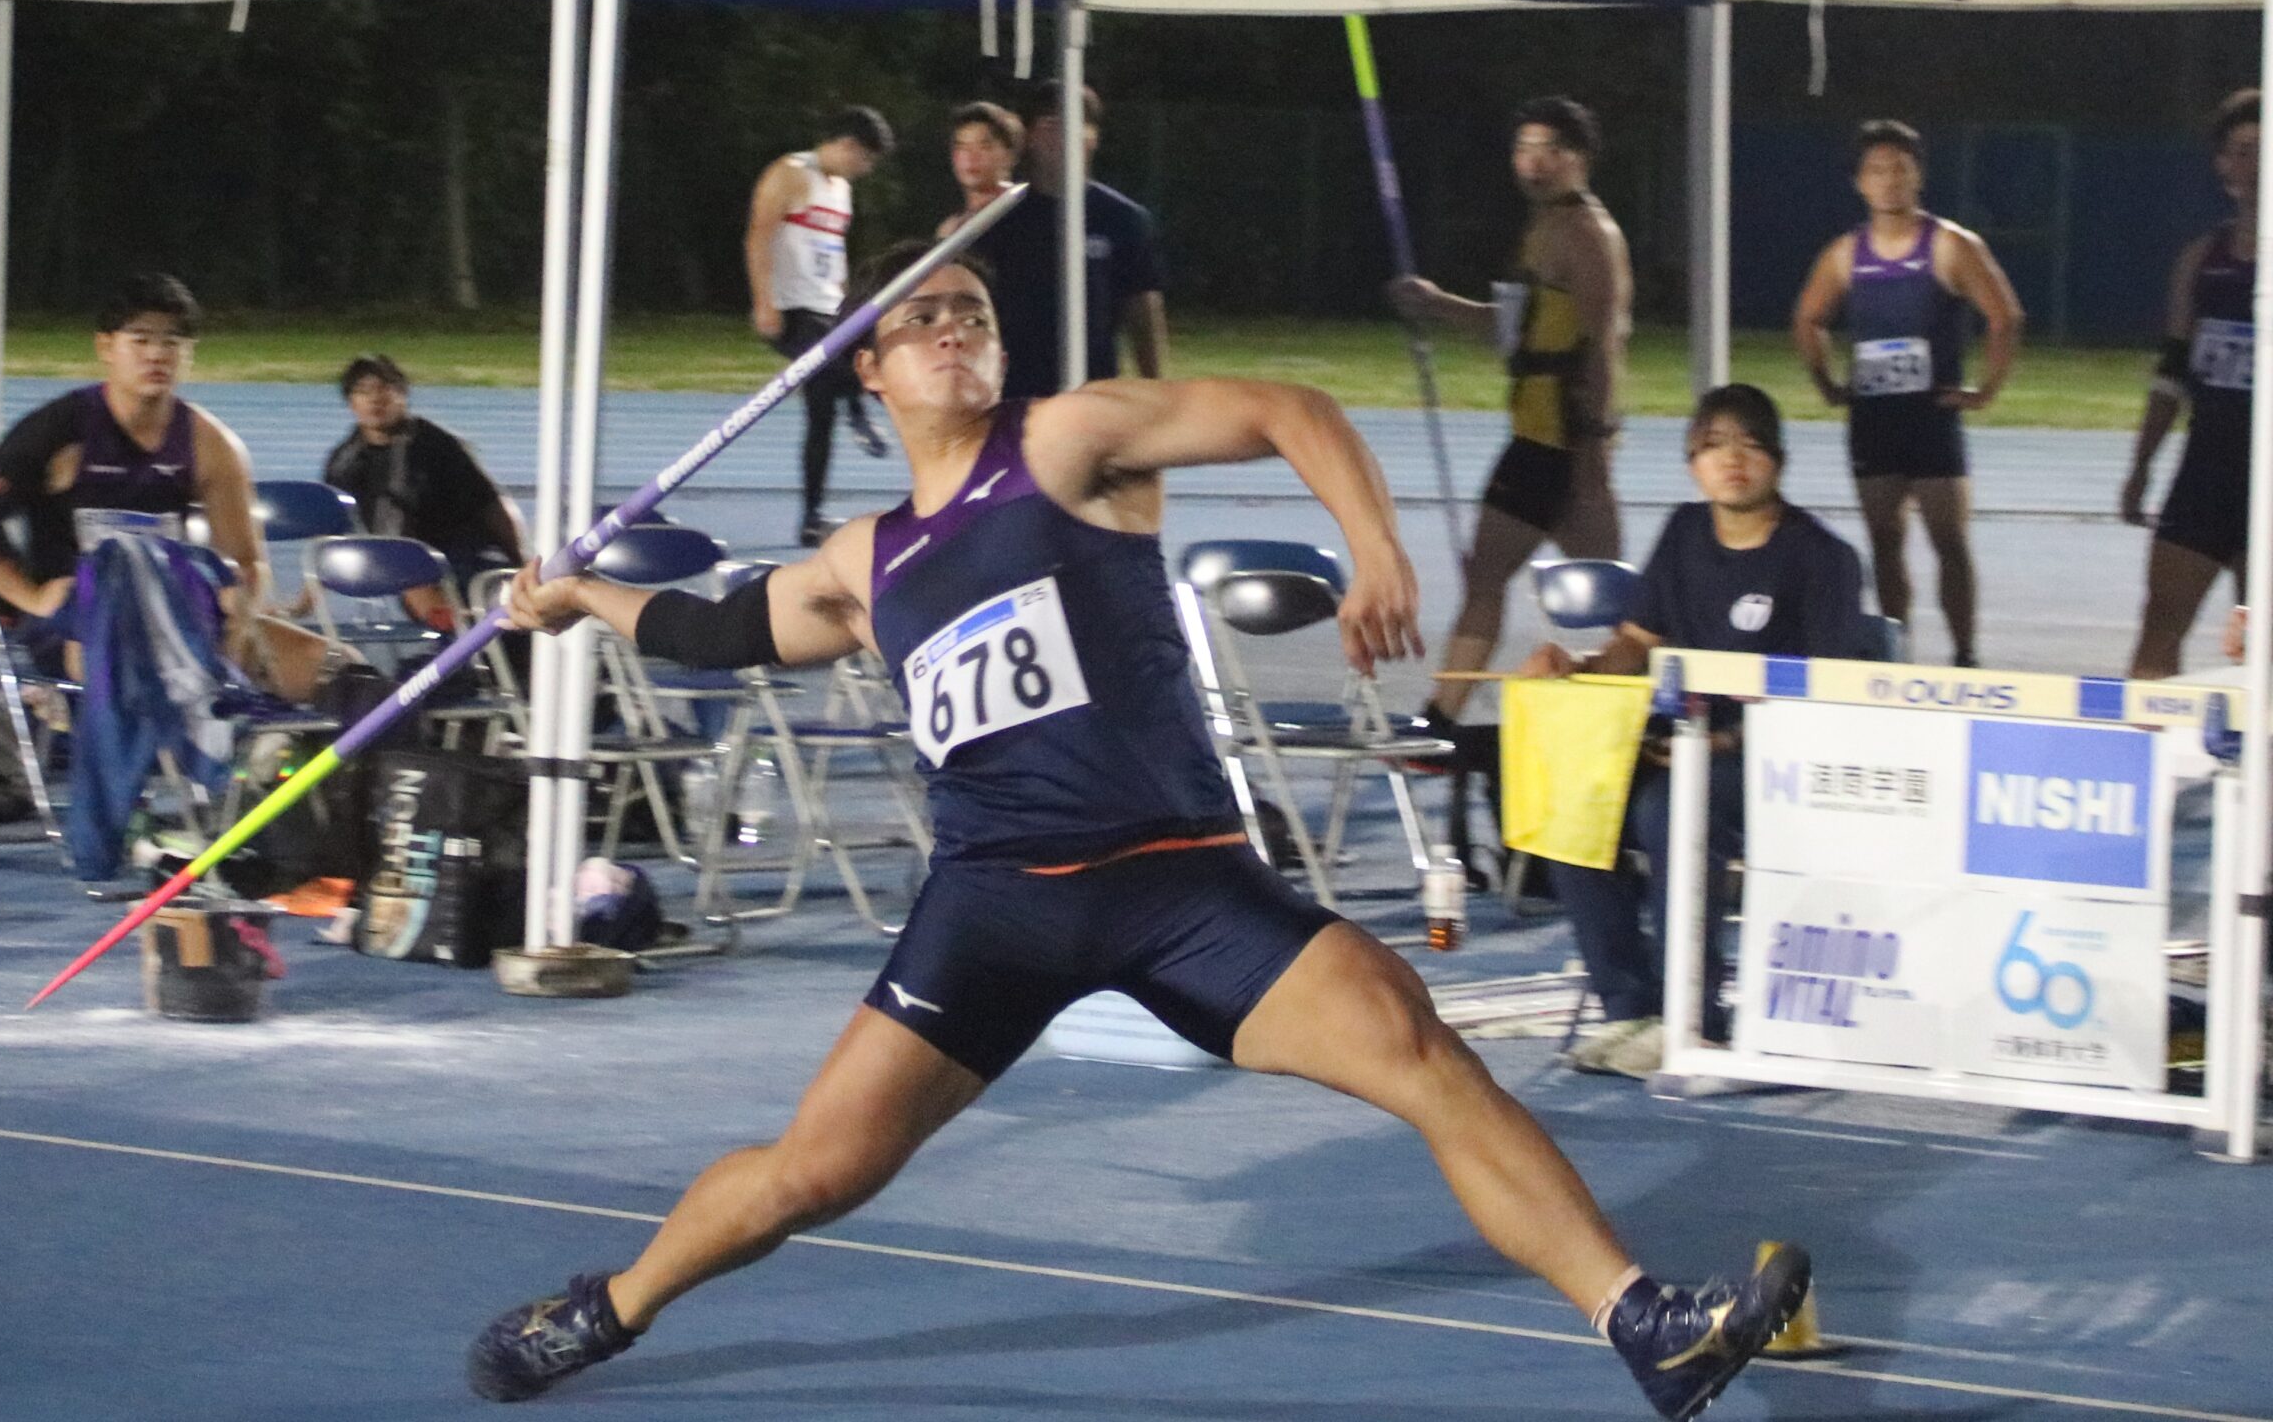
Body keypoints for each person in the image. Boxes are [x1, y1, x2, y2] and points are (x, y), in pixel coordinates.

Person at [471, 245, 1811, 1420]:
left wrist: (1378, 547)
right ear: (870, 369)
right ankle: (611, 1304)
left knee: (1418, 1049)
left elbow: (1291, 408)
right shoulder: (864, 562)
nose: (954, 328)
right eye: (922, 317)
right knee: (814, 1175)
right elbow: (714, 631)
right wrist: (581, 597)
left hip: (1183, 884)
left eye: (974, 311)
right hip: (994, 905)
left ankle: (1643, 1325)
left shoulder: (1067, 441)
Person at [1517, 385, 1871, 1077]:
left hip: (1775, 760)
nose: (1731, 459)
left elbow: (1830, 694)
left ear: (1778, 459)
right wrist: (1576, 668)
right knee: (1569, 801)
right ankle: (1630, 1008)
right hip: (1684, 745)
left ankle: (1695, 1018)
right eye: (1713, 446)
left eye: (1749, 444)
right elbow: (1638, 640)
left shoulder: (1822, 558)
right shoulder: (1683, 532)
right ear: (1692, 465)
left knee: (1667, 809)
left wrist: (1728, 743)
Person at [0, 274, 343, 700]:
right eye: (140, 339)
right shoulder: (60, 430)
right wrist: (33, 598)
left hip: (175, 616)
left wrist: (240, 621)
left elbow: (245, 563)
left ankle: (279, 756)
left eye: (172, 342)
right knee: (126, 663)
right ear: (106, 347)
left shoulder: (211, 446)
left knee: (337, 672)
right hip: (78, 624)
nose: (157, 354)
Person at [1389, 96, 1632, 726]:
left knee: (1595, 596)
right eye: (1524, 149)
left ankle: (1634, 715)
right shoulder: (1544, 228)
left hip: (1561, 444)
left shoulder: (1584, 233)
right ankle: (1444, 717)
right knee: (1532, 584)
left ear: (1579, 158)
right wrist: (1438, 303)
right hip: (1536, 438)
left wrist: (1594, 452)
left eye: (1549, 150)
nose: (1533, 163)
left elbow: (1604, 345)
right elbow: (1518, 327)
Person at [1791, 120, 2023, 668]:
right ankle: (1898, 655)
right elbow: (1808, 319)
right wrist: (1827, 384)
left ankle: (1965, 654)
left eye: (1900, 167)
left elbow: (2004, 316)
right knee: (1885, 544)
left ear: (1919, 174)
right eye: (1877, 170)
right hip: (1875, 420)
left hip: (1931, 419)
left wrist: (1984, 391)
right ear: (1859, 183)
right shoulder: (1846, 255)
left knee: (1949, 541)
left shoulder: (1949, 246)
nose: (1890, 179)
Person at [2122, 91, 2260, 679]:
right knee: (2158, 629)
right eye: (2242, 150)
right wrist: (2141, 465)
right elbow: (2172, 373)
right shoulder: (2202, 260)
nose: (2256, 161)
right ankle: (2151, 757)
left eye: (2265, 148)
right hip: (2206, 473)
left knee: (2259, 646)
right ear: (2223, 166)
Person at [744, 107, 896, 547]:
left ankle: (811, 519)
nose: (866, 171)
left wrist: (850, 300)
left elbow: (832, 250)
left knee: (820, 411)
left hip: (829, 309)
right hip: (793, 309)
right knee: (846, 371)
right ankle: (859, 408)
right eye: (865, 160)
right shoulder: (789, 173)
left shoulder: (840, 189)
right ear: (848, 146)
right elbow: (758, 236)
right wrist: (764, 302)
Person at [967, 80, 1168, 399]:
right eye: (1049, 126)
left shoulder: (1122, 219)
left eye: (1076, 126)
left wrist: (1156, 389)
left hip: (1093, 391)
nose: (1062, 137)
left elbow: (1142, 309)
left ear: (1094, 137)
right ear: (1030, 136)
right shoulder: (996, 219)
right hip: (1012, 392)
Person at [323, 352, 524, 596]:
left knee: (487, 594)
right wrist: (307, 601)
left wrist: (522, 561)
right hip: (398, 565)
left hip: (463, 555)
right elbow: (331, 534)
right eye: (363, 391)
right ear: (351, 402)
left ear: (403, 395)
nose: (375, 398)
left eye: (385, 388)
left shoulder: (435, 444)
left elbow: (489, 505)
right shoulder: (345, 461)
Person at [933, 99, 1022, 235]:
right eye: (962, 147)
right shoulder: (950, 230)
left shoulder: (1027, 216)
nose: (971, 158)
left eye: (984, 147)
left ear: (1009, 155)